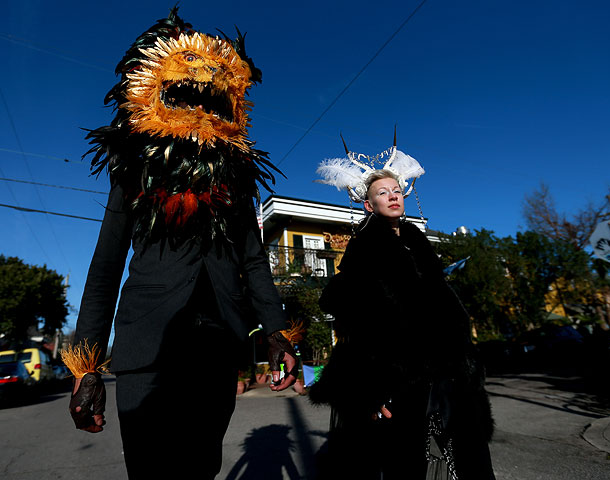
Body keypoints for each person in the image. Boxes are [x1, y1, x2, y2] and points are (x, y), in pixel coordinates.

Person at [61, 8, 296, 479]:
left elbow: (253, 261)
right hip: (146, 345)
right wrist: (85, 365)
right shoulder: (132, 171)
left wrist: (277, 332)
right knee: (151, 470)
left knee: (201, 466)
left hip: (215, 346)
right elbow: (105, 266)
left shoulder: (238, 178)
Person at [312, 145, 495, 479]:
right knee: (406, 467)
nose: (393, 196)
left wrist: (468, 366)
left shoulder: (420, 248)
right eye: (383, 192)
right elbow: (354, 325)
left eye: (397, 190)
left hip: (450, 382)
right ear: (369, 205)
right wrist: (368, 389)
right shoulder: (364, 251)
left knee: (466, 465)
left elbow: (446, 312)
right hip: (401, 388)